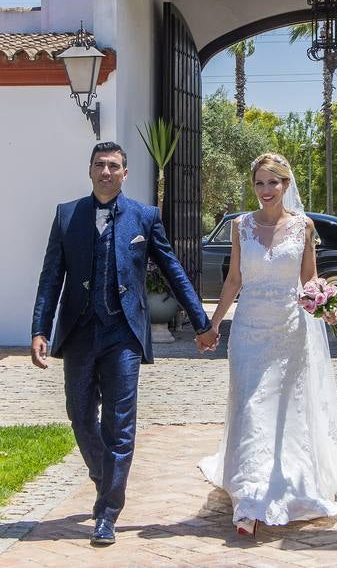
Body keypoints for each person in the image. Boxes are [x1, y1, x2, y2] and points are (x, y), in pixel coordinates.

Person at [30, 141, 218, 547]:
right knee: (79, 414)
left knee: (119, 424)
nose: (107, 171)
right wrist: (39, 330)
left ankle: (107, 512)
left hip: (123, 335)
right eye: (100, 165)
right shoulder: (67, 216)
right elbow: (50, 278)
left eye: (114, 166)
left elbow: (173, 270)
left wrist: (202, 322)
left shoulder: (144, 216)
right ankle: (107, 477)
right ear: (90, 170)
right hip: (79, 332)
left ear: (125, 173)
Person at [200, 152, 337, 536]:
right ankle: (250, 497)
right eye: (259, 182)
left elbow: (310, 279)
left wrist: (326, 306)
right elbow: (234, 281)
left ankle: (289, 483)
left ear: (286, 185)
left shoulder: (303, 226)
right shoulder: (241, 226)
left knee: (284, 412)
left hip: (290, 331)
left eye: (273, 182)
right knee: (251, 407)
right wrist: (213, 324)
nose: (266, 190)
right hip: (249, 331)